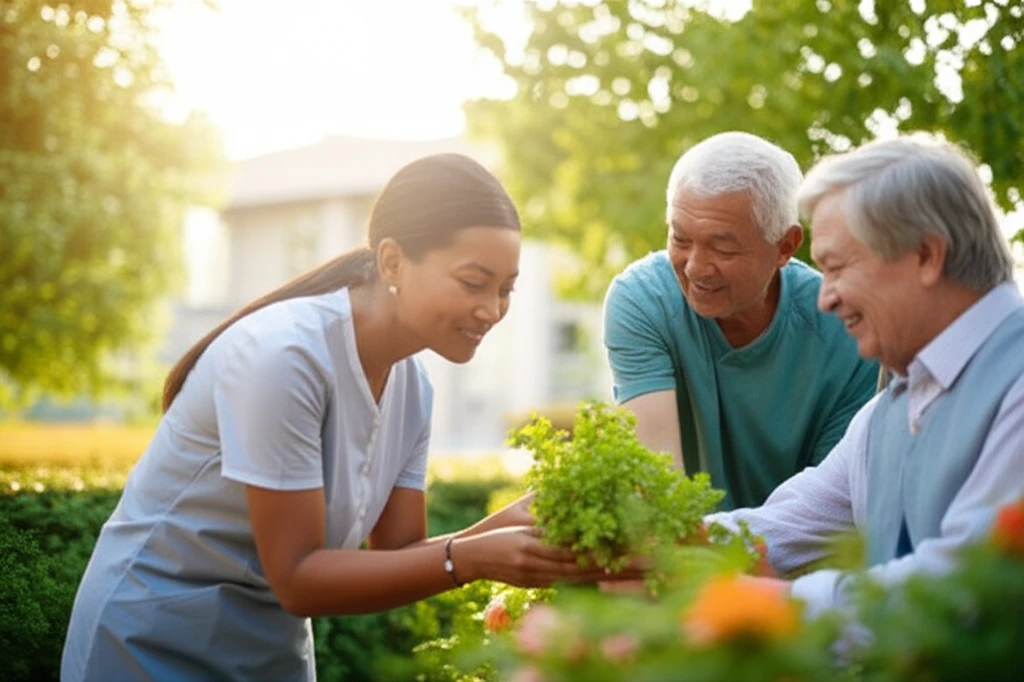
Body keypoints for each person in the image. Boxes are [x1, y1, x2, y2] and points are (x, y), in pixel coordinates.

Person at [61, 154, 619, 682]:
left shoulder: (412, 385)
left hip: (266, 652)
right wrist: (471, 558)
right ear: (393, 261)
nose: (492, 310)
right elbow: (300, 579)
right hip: (150, 642)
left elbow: (400, 554)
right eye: (474, 283)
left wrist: (509, 524)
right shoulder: (283, 357)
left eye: (506, 290)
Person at [706, 134, 1024, 616]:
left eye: (836, 268)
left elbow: (965, 585)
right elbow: (779, 528)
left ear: (925, 256)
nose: (824, 298)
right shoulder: (885, 412)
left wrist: (774, 609)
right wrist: (643, 541)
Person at [603, 132, 879, 510]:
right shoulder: (644, 301)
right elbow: (655, 488)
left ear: (785, 246)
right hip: (677, 554)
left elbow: (829, 510)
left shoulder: (844, 329)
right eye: (680, 239)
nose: (696, 267)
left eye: (723, 247)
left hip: (794, 560)